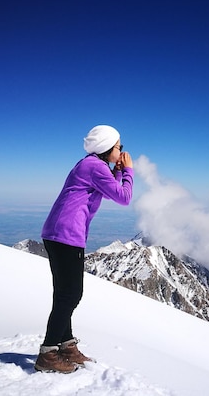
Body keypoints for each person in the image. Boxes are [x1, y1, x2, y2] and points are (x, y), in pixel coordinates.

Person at [34, 125, 134, 373]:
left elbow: (111, 191)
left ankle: (65, 346)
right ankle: (48, 353)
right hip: (67, 235)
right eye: (119, 146)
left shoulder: (91, 165)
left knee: (64, 294)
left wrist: (118, 171)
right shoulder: (95, 167)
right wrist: (129, 170)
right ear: (107, 147)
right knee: (70, 295)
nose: (121, 150)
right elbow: (124, 197)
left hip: (59, 233)